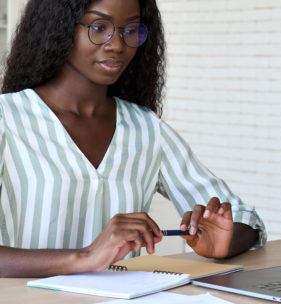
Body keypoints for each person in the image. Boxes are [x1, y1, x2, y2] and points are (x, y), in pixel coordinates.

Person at [0, 0, 266, 278]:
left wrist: (223, 243)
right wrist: (84, 257)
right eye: (99, 27)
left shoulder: (147, 129)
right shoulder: (7, 119)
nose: (117, 45)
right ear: (59, 28)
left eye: (131, 30)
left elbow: (243, 218)